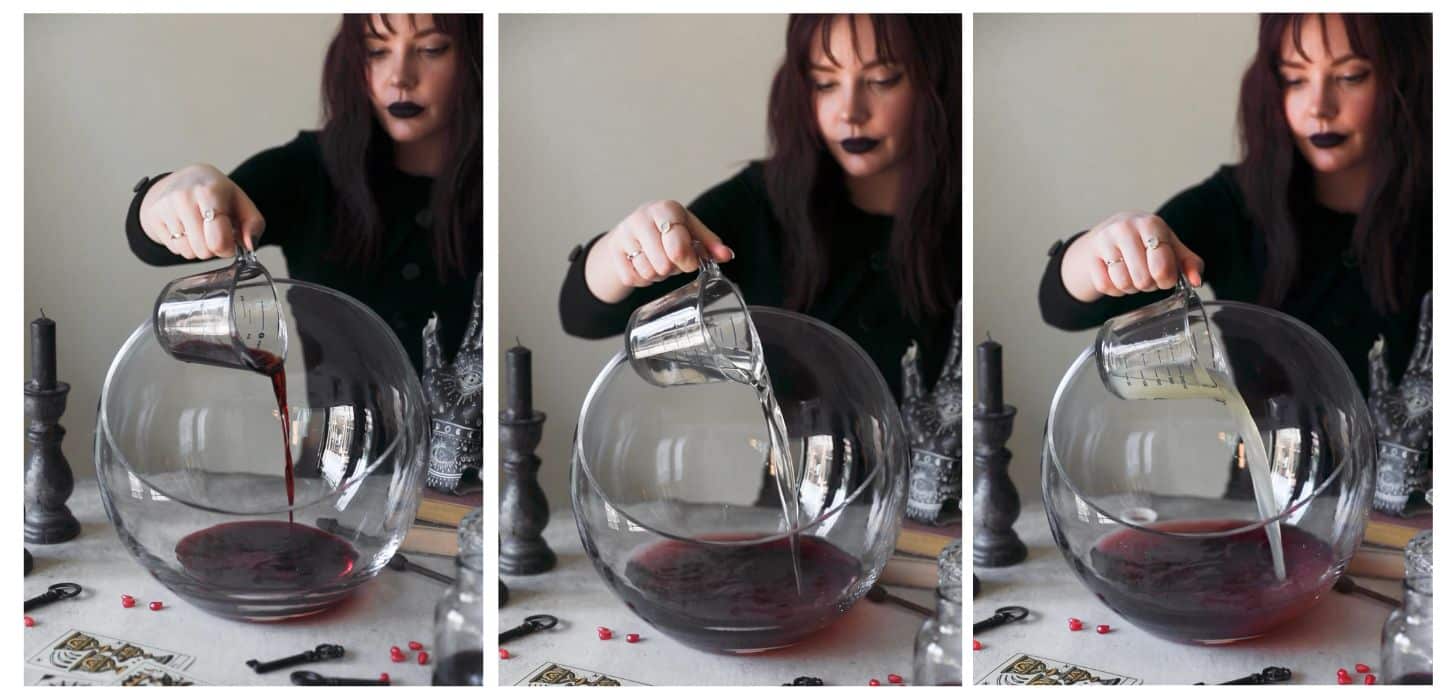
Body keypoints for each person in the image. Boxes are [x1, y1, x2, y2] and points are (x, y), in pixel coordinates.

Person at [557, 14, 961, 401]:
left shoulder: (966, 216)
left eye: (881, 79)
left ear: (935, 78)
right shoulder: (762, 205)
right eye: (824, 83)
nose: (849, 112)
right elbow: (583, 316)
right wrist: (621, 251)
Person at [1039, 13, 1431, 398]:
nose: (1318, 106)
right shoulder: (1235, 205)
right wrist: (1098, 249)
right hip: (1269, 464)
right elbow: (1062, 308)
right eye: (1294, 79)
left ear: (1405, 75)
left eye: (1350, 77)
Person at [125, 13, 483, 375]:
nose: (399, 77)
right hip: (336, 433)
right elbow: (151, 245)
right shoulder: (308, 171)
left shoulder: (501, 186)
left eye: (431, 48)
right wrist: (169, 192)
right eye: (376, 51)